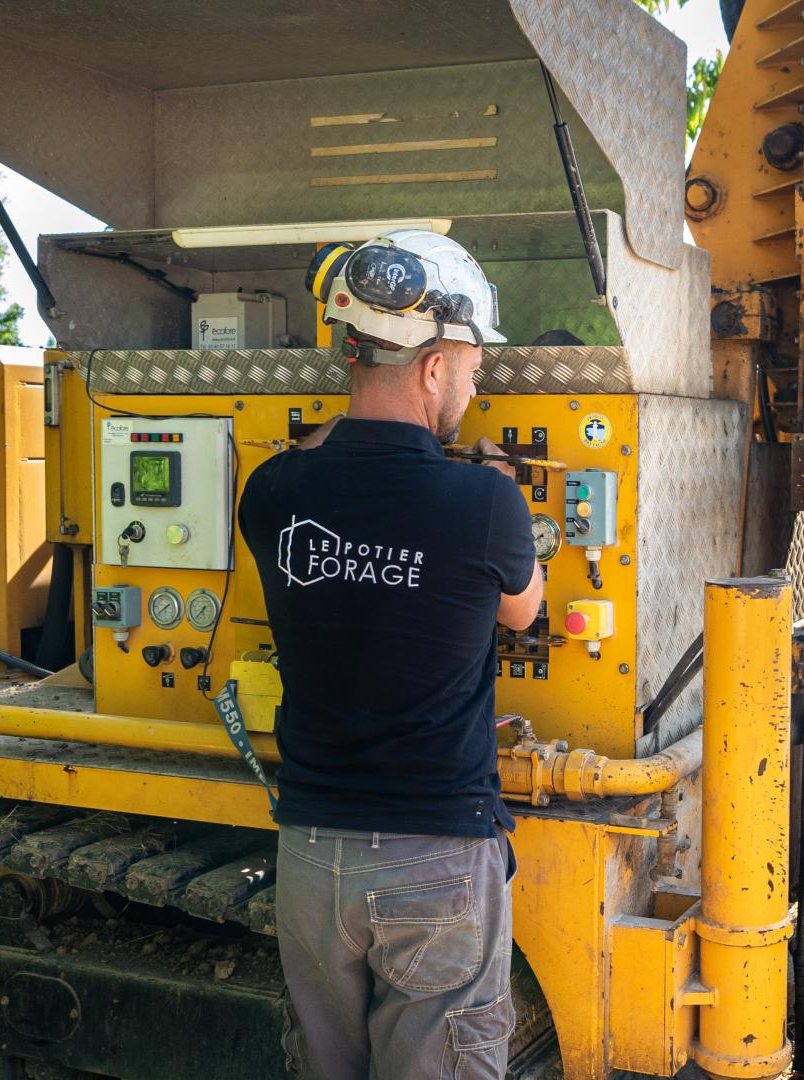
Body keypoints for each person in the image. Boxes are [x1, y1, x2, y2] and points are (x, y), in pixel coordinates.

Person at [237, 229, 543, 1079]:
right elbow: (523, 611)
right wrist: (504, 497)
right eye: (474, 370)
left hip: (307, 858)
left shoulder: (272, 492)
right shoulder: (485, 502)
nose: (473, 388)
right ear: (435, 365)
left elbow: (325, 490)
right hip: (436, 856)